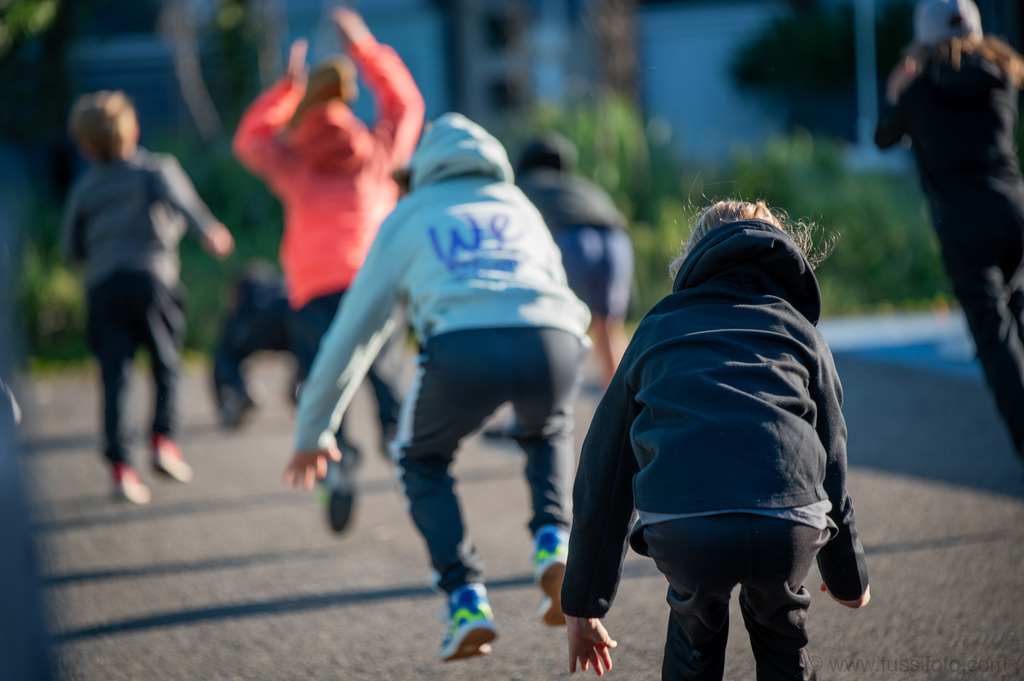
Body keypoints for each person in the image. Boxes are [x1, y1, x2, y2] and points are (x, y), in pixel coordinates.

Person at [281, 113, 592, 662]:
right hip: (553, 339)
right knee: (547, 427)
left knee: (421, 459)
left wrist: (314, 427)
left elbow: (353, 333)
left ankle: (467, 600)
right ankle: (553, 542)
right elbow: (560, 292)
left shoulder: (409, 214)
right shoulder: (517, 204)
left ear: (421, 167)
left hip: (463, 345)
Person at [561, 200, 870, 680]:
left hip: (687, 524)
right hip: (785, 523)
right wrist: (848, 576)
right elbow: (832, 461)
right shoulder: (801, 333)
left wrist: (583, 604)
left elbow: (604, 473)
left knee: (694, 635)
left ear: (691, 259)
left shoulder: (657, 328)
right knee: (781, 634)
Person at [232, 8, 425, 531]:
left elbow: (248, 141)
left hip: (313, 289)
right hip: (372, 282)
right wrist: (364, 47)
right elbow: (407, 105)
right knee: (383, 370)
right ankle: (399, 440)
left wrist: (285, 91)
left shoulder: (293, 158)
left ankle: (336, 461)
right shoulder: (375, 154)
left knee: (324, 379)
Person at [61, 90, 235, 505]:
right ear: (133, 129)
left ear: (85, 146)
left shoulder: (85, 188)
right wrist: (209, 231)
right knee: (166, 364)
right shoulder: (156, 168)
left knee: (115, 378)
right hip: (152, 281)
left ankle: (122, 469)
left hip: (104, 287)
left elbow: (71, 247)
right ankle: (164, 442)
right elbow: (185, 203)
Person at [875, 0, 1024, 464]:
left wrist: (896, 89)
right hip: (1016, 212)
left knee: (995, 339)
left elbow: (885, 137)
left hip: (964, 226)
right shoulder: (1002, 80)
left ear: (923, 40)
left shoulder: (920, 92)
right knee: (1018, 318)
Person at [516, 133, 634, 387]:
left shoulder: (523, 184)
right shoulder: (579, 185)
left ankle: (532, 415)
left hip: (572, 240)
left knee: (544, 325)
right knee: (610, 330)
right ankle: (627, 411)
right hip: (617, 240)